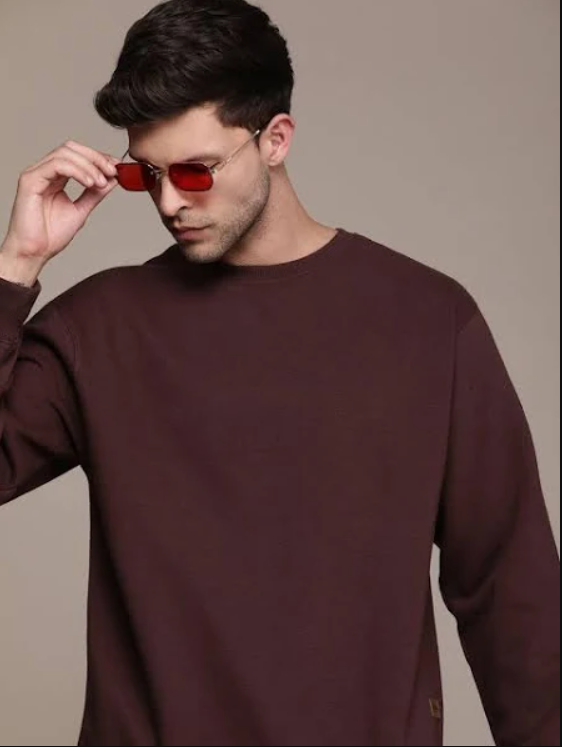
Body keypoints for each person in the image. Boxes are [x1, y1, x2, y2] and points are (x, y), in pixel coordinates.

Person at [0, 0, 559, 745]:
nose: (169, 201)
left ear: (275, 139)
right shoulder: (99, 328)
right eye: (145, 175)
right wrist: (16, 266)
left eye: (195, 171)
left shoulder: (427, 319)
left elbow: (511, 591)